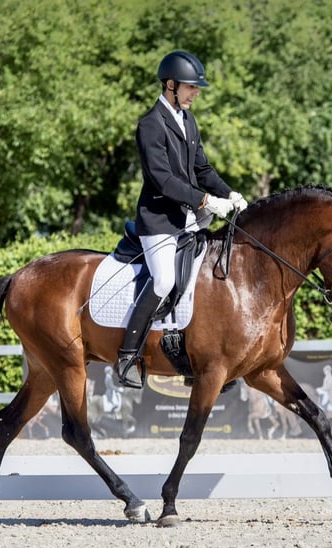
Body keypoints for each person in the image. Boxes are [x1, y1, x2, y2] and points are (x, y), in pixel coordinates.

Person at [115, 50, 248, 388]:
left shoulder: (188, 120)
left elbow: (201, 168)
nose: (196, 93)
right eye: (191, 87)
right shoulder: (150, 124)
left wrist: (229, 194)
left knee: (207, 277)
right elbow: (163, 180)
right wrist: (205, 200)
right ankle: (127, 354)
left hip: (188, 219)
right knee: (163, 281)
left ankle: (191, 356)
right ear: (171, 85)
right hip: (158, 221)